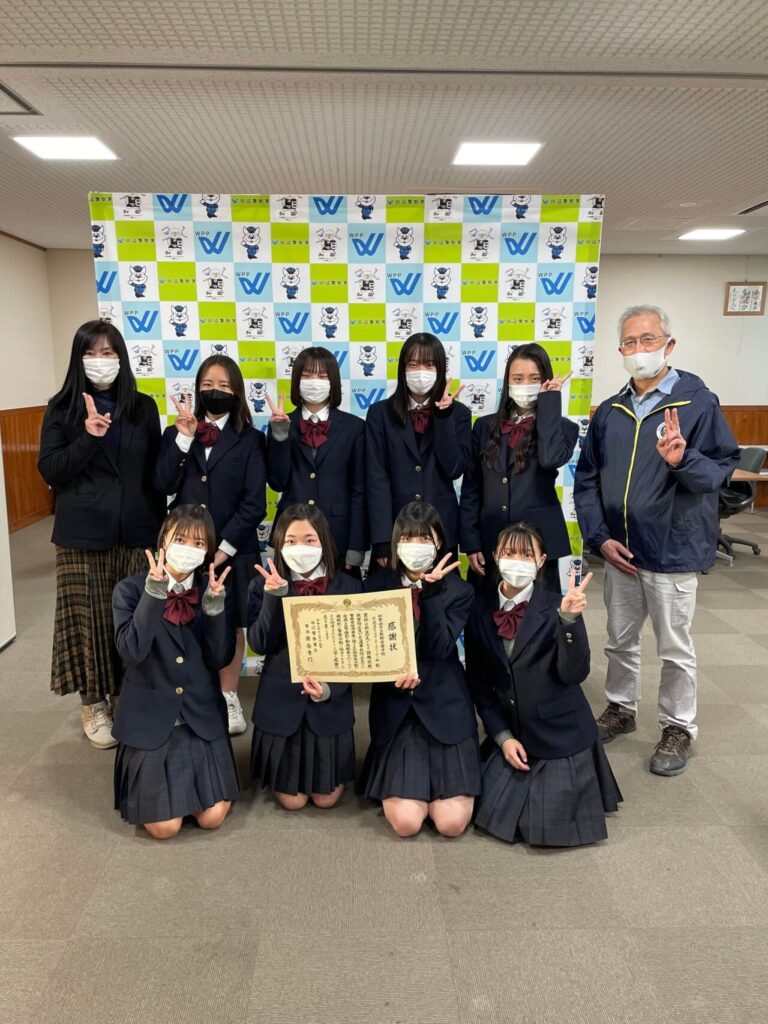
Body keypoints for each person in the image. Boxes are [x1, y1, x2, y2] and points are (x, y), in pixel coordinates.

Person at [574, 305, 740, 775]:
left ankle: (678, 727)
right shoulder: (611, 411)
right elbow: (587, 479)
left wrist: (682, 460)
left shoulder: (697, 403)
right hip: (620, 551)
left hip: (672, 548)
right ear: (620, 350)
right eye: (630, 342)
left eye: (648, 340)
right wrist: (600, 538)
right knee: (620, 640)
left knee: (674, 647)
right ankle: (621, 707)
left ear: (669, 344)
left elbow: (719, 473)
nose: (639, 350)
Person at [38, 320, 164, 749]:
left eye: (109, 352)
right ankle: (93, 703)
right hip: (83, 535)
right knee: (89, 620)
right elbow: (50, 470)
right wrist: (88, 439)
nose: (100, 360)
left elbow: (154, 474)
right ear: (79, 358)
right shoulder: (61, 408)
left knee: (131, 618)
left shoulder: (142, 407)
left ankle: (126, 695)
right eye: (91, 352)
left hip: (137, 531)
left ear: (121, 358)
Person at [465, 521, 621, 846]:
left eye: (526, 555)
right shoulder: (479, 610)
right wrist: (502, 737)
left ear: (541, 561)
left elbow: (574, 674)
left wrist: (568, 622)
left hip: (558, 731)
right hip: (513, 729)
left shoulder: (558, 605)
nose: (517, 562)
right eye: (509, 553)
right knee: (485, 813)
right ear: (495, 556)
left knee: (546, 827)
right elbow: (479, 686)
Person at [154, 355, 266, 736]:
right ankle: (191, 695)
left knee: (231, 624)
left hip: (233, 553)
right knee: (185, 620)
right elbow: (163, 484)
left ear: (237, 392)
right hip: (185, 553)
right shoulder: (176, 434)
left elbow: (254, 503)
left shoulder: (251, 440)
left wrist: (223, 550)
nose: (214, 391)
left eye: (223, 385)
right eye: (207, 385)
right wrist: (184, 439)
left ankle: (229, 695)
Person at [112, 505, 239, 839]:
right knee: (165, 828)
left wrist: (214, 609)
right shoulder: (129, 590)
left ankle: (185, 791)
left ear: (208, 552)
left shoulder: (212, 588)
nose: (188, 549)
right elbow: (131, 651)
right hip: (150, 718)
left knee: (212, 818)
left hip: (199, 715)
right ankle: (173, 794)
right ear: (163, 542)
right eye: (180, 539)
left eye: (199, 543)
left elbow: (218, 659)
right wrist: (153, 595)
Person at [360, 501, 480, 838]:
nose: (415, 546)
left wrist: (431, 594)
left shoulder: (459, 590)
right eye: (408, 538)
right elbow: (368, 653)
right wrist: (392, 676)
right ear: (396, 543)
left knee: (451, 824)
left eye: (425, 538)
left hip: (445, 706)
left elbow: (438, 648)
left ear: (439, 542)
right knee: (406, 823)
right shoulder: (375, 586)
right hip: (399, 711)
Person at [247, 503, 362, 810]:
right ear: (279, 545)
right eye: (291, 541)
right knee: (293, 801)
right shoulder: (260, 585)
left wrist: (330, 690)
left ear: (324, 541)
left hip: (329, 705)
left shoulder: (349, 587)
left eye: (309, 540)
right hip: (281, 702)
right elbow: (259, 644)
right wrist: (273, 597)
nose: (301, 547)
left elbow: (356, 655)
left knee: (326, 800)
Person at [460, 343, 577, 592]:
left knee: (538, 612)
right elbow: (472, 488)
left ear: (545, 381)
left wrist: (550, 401)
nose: (526, 384)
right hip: (491, 541)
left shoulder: (564, 428)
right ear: (508, 382)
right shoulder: (484, 427)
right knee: (486, 611)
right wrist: (471, 542)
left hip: (538, 546)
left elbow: (550, 458)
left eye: (535, 378)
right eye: (518, 378)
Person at [365, 333, 470, 571]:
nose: (420, 372)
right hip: (395, 530)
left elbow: (454, 469)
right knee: (393, 593)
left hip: (440, 530)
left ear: (440, 369)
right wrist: (382, 538)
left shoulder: (459, 414)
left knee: (443, 592)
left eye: (429, 364)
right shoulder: (380, 414)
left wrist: (443, 418)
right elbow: (376, 477)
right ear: (402, 369)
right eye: (413, 364)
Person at [265, 346, 366, 575]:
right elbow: (277, 482)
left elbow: (360, 490)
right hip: (292, 535)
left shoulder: (355, 427)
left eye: (322, 376)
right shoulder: (282, 423)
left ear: (333, 382)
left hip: (338, 534)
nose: (314, 382)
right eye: (307, 375)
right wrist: (280, 436)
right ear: (296, 381)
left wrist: (357, 544)